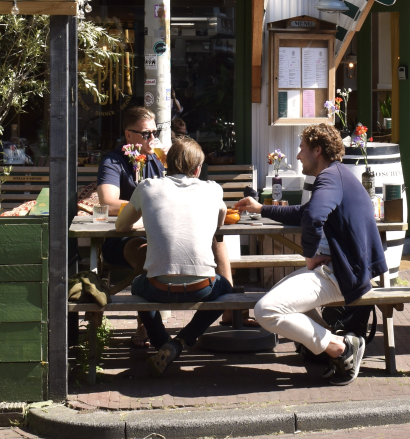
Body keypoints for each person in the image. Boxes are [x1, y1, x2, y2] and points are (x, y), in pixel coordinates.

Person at [234, 124, 387, 385]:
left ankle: (341, 348)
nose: (297, 156)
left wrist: (308, 257)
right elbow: (305, 212)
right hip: (342, 271)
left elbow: (315, 217)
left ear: (317, 150)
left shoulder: (329, 178)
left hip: (340, 275)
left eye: (302, 149)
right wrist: (261, 208)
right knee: (274, 298)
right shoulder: (337, 175)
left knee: (266, 310)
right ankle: (337, 345)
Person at [115, 136, 234, 376]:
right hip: (203, 287)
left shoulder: (148, 186)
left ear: (166, 164)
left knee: (137, 288)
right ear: (198, 169)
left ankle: (162, 343)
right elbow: (220, 221)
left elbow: (120, 226)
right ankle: (181, 342)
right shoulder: (213, 189)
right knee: (227, 290)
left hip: (157, 286)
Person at [96, 106, 166, 347]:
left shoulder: (155, 159)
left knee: (215, 243)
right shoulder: (113, 161)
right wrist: (145, 204)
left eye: (155, 133)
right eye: (146, 134)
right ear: (128, 135)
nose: (152, 139)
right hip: (121, 238)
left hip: (157, 235)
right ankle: (149, 327)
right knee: (148, 253)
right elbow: (108, 202)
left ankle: (231, 311)